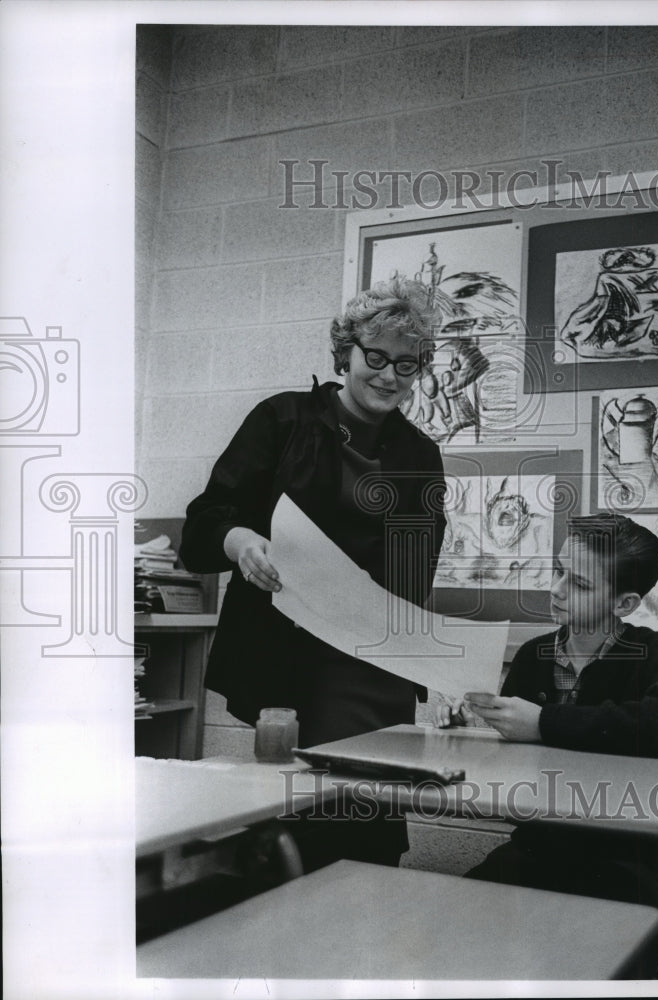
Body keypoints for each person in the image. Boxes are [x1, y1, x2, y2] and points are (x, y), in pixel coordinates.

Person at [180, 275, 446, 868]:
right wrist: (241, 541)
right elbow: (204, 522)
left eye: (407, 365)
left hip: (370, 659)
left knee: (370, 814)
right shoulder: (283, 419)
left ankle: (360, 910)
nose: (390, 376)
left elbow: (416, 567)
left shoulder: (419, 454)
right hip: (288, 653)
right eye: (376, 357)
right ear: (345, 353)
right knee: (305, 811)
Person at [435, 512, 658, 977]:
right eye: (558, 570)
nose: (557, 589)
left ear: (624, 603)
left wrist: (544, 723)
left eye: (580, 583)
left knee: (592, 962)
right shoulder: (534, 656)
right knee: (441, 934)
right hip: (533, 855)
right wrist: (469, 730)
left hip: (623, 869)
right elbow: (515, 776)